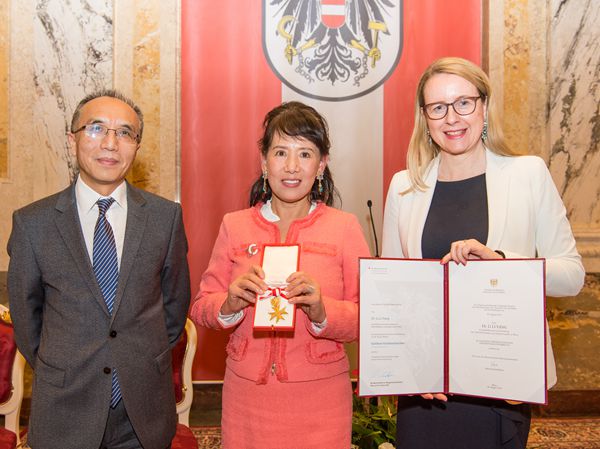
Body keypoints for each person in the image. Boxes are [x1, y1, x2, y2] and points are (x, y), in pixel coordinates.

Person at [382, 57, 585, 449]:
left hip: (499, 381)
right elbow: (394, 293)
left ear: (484, 106)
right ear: (424, 118)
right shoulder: (404, 187)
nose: (451, 118)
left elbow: (572, 276)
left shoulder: (528, 174)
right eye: (437, 107)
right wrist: (405, 368)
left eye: (464, 102)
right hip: (427, 386)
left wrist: (502, 263)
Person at [7, 90, 191, 449]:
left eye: (124, 132)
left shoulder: (164, 218)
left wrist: (138, 359)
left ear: (136, 146)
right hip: (65, 408)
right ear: (71, 139)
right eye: (96, 129)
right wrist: (63, 365)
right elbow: (27, 320)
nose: (110, 143)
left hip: (143, 410)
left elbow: (174, 307)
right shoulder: (33, 223)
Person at [191, 101, 370, 449]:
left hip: (321, 402)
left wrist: (323, 311)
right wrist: (229, 303)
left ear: (321, 165)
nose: (291, 166)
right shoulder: (235, 225)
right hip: (247, 401)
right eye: (280, 152)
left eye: (305, 154)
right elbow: (201, 307)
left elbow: (370, 318)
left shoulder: (344, 228)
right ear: (263, 161)